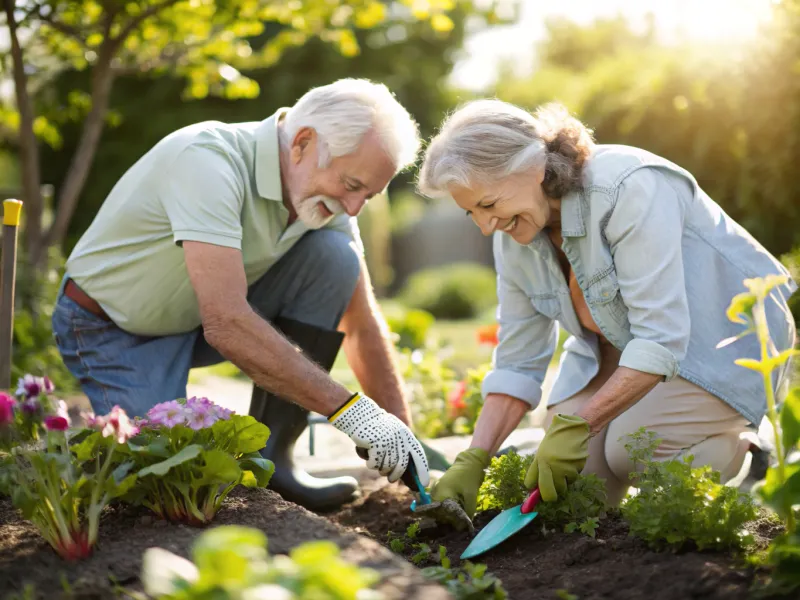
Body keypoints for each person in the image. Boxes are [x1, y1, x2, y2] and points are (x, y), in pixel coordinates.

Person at [52, 78, 430, 511]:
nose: (354, 207)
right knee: (175, 484)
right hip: (116, 327)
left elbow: (361, 324)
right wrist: (355, 414)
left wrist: (402, 436)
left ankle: (277, 461)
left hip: (193, 318)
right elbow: (227, 323)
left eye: (369, 194)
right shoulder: (207, 161)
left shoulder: (326, 200)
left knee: (336, 256)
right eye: (351, 184)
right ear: (302, 143)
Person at [417, 99, 797, 515]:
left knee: (629, 449)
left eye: (488, 205)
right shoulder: (513, 238)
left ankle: (741, 448)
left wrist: (581, 424)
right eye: (470, 211)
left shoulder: (628, 187)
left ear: (532, 167)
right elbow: (517, 362)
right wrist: (475, 457)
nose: (486, 225)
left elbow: (660, 336)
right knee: (577, 484)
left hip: (726, 342)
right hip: (625, 350)